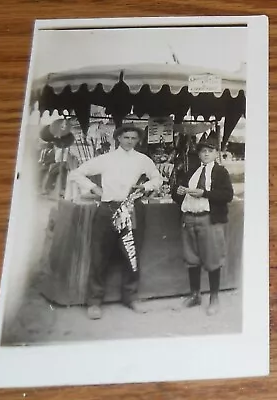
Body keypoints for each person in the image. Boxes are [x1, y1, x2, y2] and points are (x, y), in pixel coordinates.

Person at [67, 124, 163, 319]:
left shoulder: (143, 160)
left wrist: (144, 187)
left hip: (131, 208)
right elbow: (76, 173)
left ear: (138, 140)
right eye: (126, 137)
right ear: (118, 138)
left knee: (131, 253)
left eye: (133, 138)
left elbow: (157, 178)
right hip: (108, 208)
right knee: (100, 254)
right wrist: (94, 189)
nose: (129, 141)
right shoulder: (106, 159)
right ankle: (94, 301)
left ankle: (130, 297)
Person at [171, 130, 234, 316]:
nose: (206, 154)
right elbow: (176, 195)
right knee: (191, 259)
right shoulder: (191, 170)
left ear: (216, 154)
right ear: (198, 154)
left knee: (213, 258)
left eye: (210, 150)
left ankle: (214, 297)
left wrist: (204, 193)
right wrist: (178, 192)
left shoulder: (221, 172)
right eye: (203, 151)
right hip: (189, 218)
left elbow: (227, 195)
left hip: (209, 219)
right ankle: (195, 295)